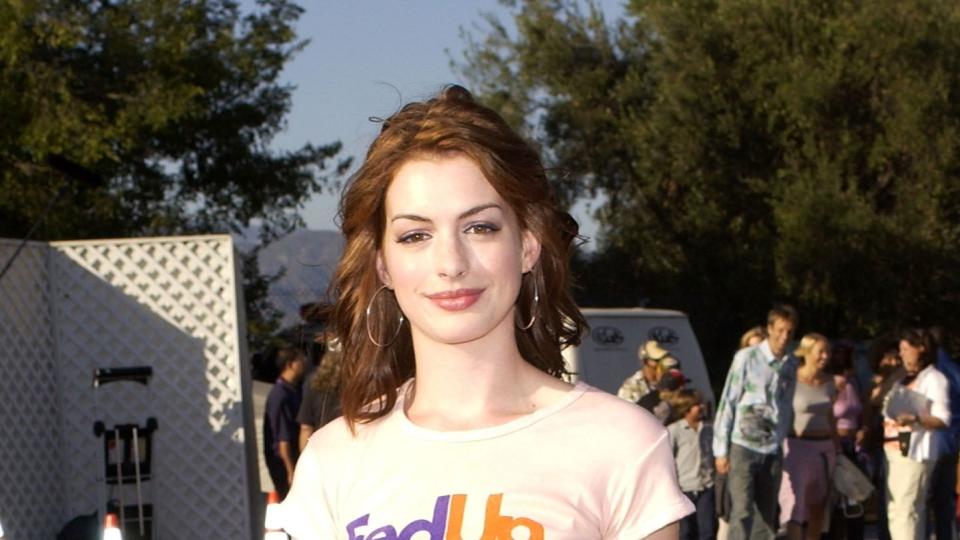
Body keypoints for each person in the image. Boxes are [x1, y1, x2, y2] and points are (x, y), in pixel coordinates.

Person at [279, 85, 694, 539]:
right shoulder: (335, 458)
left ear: (528, 244)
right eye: (415, 235)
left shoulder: (619, 443)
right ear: (383, 264)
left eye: (480, 227)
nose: (451, 263)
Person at [713, 304, 798, 540]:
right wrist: (721, 450)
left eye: (789, 332)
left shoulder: (791, 364)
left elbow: (786, 404)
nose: (784, 337)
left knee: (767, 515)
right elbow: (728, 400)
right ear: (770, 329)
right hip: (744, 444)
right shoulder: (746, 358)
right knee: (742, 510)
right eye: (780, 330)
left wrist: (782, 440)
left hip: (772, 447)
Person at [882, 327, 950, 540]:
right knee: (897, 510)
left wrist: (916, 419)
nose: (901, 354)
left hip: (914, 451)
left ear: (921, 348)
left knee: (907, 510)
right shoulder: (903, 377)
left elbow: (943, 419)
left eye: (905, 348)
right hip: (894, 448)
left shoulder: (935, 379)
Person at [779, 333, 837, 540]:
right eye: (820, 351)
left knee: (818, 506)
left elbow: (831, 417)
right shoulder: (792, 379)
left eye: (828, 351)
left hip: (825, 449)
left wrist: (837, 451)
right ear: (807, 352)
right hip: (798, 447)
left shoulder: (830, 382)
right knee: (796, 505)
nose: (825, 356)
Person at [668, 389, 717, 540]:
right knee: (684, 532)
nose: (701, 407)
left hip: (705, 486)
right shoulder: (674, 430)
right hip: (684, 489)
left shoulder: (708, 428)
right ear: (686, 408)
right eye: (697, 404)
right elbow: (667, 458)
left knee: (707, 530)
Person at [928, 326, 960, 540]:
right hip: (952, 442)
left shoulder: (930, 372)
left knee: (921, 503)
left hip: (929, 442)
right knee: (945, 506)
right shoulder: (956, 369)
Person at [263, 346, 306, 498]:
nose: (305, 362)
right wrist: (290, 471)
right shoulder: (280, 395)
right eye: (300, 360)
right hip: (283, 461)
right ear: (290, 365)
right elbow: (283, 439)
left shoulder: (293, 390)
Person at [296, 334, 343, 452]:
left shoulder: (313, 381)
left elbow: (306, 428)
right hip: (350, 451)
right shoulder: (360, 381)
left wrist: (305, 462)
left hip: (321, 452)